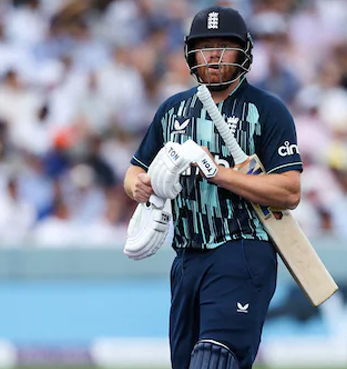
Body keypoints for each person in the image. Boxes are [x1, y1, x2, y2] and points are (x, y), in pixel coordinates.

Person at [123, 6, 303, 369]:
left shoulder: (266, 110)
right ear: (191, 52)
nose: (215, 56)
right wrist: (140, 187)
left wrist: (218, 172)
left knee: (215, 360)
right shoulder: (173, 110)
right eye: (206, 46)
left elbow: (289, 190)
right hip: (187, 257)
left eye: (225, 46)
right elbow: (133, 172)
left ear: (244, 52)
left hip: (242, 250)